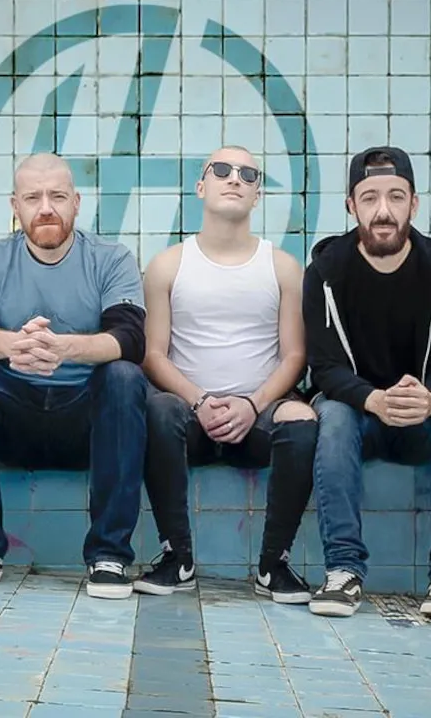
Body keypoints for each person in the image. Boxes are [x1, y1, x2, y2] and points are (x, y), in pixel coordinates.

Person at [0, 152, 148, 599]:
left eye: (57, 197)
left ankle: (109, 554)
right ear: (15, 205)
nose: (46, 208)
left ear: (77, 202)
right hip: (11, 413)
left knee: (125, 377)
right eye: (33, 198)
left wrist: (62, 347)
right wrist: (12, 345)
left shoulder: (111, 258)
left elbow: (130, 339)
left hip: (84, 415)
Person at [134, 146, 317, 603]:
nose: (234, 178)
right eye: (221, 170)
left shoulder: (283, 267)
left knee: (302, 420)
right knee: (156, 410)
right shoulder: (167, 264)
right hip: (189, 417)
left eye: (248, 174)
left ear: (257, 195)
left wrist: (253, 404)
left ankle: (274, 565)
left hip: (258, 415)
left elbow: (295, 356)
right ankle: (177, 558)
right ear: (201, 187)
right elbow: (153, 355)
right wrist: (199, 401)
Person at [303, 146, 431, 619]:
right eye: (370, 197)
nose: (383, 211)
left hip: (420, 415)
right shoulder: (325, 274)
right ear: (351, 205)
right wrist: (372, 399)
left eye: (396, 197)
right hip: (359, 413)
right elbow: (325, 367)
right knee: (333, 416)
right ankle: (343, 571)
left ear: (413, 204)